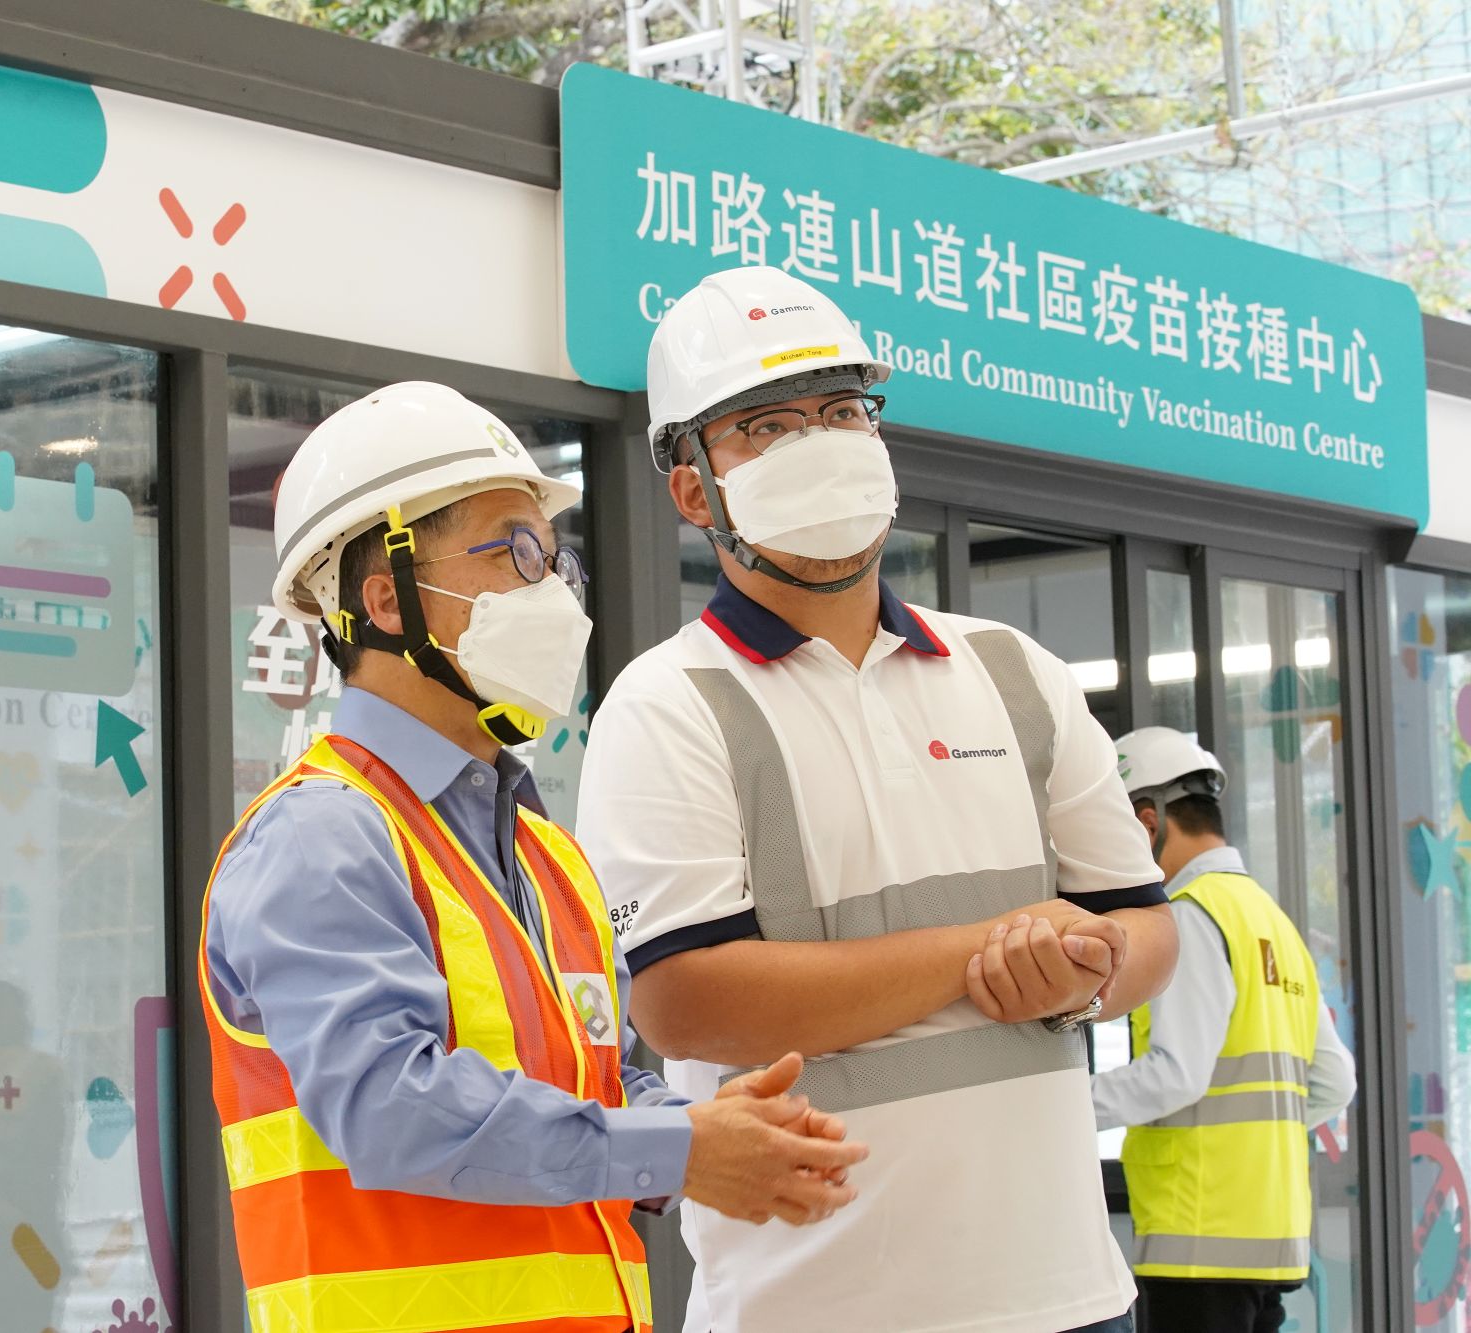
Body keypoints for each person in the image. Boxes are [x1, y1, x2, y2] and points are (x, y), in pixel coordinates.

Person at [574, 266, 1181, 1333]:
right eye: (766, 426)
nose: (817, 444)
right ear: (693, 492)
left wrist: (1087, 971)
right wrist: (982, 952)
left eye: (841, 411)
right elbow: (683, 1000)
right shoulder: (667, 703)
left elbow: (1145, 928)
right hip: (814, 1306)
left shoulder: (1014, 669)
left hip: (1071, 1295)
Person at [201, 381, 869, 1333]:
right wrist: (678, 1146)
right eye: (514, 552)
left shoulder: (545, 851)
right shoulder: (323, 835)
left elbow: (592, 1080)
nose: (551, 590)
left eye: (556, 560)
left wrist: (716, 1129)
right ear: (386, 598)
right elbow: (388, 1106)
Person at [1094, 727, 1357, 1333]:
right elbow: (1334, 1082)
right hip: (1271, 1239)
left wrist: (1059, 1107)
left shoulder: (1191, 916)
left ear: (1147, 824)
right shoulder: (1273, 922)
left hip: (1198, 1233)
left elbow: (1177, 1075)